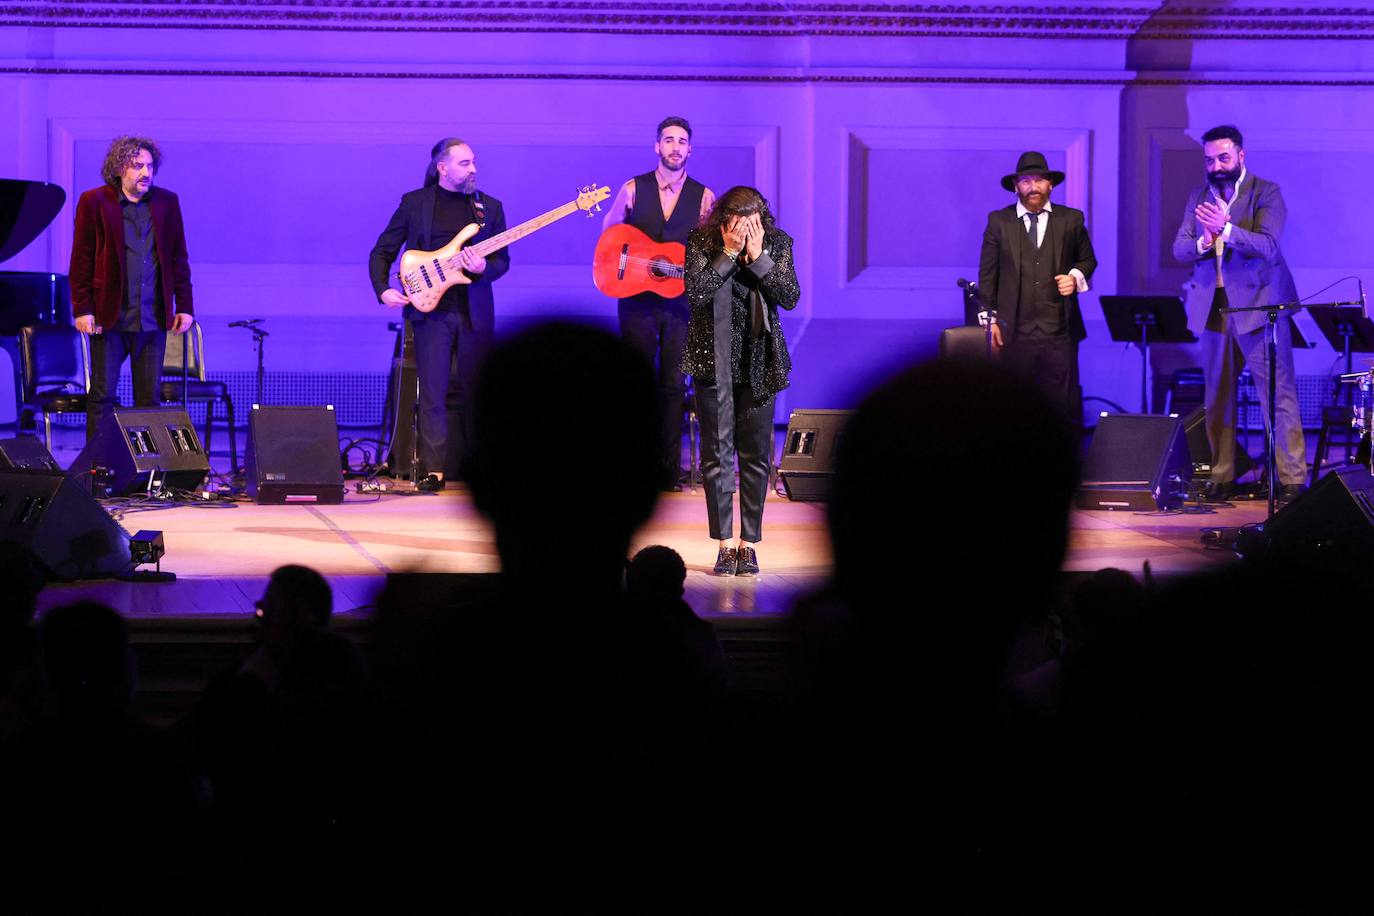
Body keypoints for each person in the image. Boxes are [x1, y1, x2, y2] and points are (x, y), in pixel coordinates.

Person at [1172, 124, 1306, 502]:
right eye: (1209, 160)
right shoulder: (1198, 196)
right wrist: (1205, 240)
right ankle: (1222, 476)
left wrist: (1226, 229)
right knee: (1217, 397)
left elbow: (1268, 245)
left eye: (1223, 158)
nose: (1216, 166)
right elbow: (1180, 249)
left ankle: (1292, 479)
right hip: (1215, 308)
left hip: (1260, 306)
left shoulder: (1266, 192)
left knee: (1278, 395)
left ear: (1240, 156)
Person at [369, 138, 509, 491]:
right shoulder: (415, 203)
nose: (473, 169)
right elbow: (382, 251)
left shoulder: (489, 208)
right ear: (442, 168)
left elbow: (502, 261)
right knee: (432, 393)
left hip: (475, 312)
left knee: (480, 390)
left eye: (474, 161)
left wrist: (483, 267)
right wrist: (383, 290)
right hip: (431, 315)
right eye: (464, 163)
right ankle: (434, 470)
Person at [682, 186, 799, 577]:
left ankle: (749, 545)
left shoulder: (778, 243)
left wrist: (759, 257)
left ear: (762, 220)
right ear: (723, 219)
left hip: (758, 361)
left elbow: (790, 296)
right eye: (737, 221)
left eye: (752, 221)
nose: (745, 228)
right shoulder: (701, 242)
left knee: (755, 456)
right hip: (712, 360)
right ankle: (724, 544)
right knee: (716, 456)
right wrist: (729, 254)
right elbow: (696, 294)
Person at [603, 116, 716, 491]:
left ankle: (666, 469)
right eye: (669, 140)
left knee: (672, 385)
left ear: (690, 150)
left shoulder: (704, 197)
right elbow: (610, 235)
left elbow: (709, 251)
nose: (675, 147)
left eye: (682, 141)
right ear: (657, 146)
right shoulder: (634, 188)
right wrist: (631, 260)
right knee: (635, 380)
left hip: (680, 304)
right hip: (636, 298)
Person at [69, 136, 194, 440]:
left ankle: (147, 466)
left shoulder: (166, 203)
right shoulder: (94, 201)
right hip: (109, 316)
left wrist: (185, 306)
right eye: (137, 166)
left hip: (151, 316)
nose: (145, 173)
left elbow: (178, 257)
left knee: (149, 400)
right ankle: (98, 464)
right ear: (119, 168)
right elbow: (81, 258)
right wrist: (82, 308)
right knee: (103, 395)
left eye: (149, 166)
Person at [978, 151, 1097, 421]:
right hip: (1013, 332)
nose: (1033, 187)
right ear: (1016, 186)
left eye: (1039, 180)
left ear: (1050, 184)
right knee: (1014, 403)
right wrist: (989, 321)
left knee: (1061, 405)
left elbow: (1088, 260)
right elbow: (988, 273)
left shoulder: (1071, 219)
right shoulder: (999, 222)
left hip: (1059, 333)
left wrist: (1074, 277)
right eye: (1026, 181)